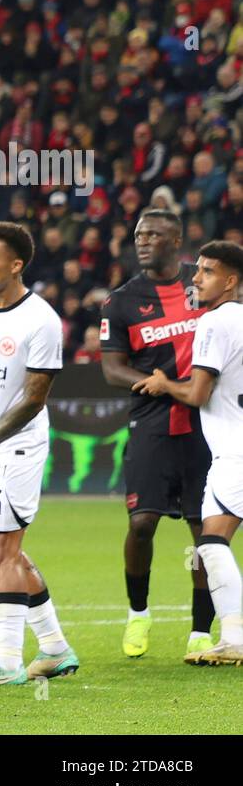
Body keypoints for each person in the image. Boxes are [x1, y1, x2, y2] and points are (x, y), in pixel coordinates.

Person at [0, 222, 79, 685]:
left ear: (16, 265)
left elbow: (33, 398)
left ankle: (7, 663)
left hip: (18, 444)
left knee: (6, 547)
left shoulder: (41, 321)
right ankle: (56, 648)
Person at [99, 209, 214, 661]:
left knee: (204, 531)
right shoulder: (122, 301)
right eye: (138, 235)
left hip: (206, 423)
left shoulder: (203, 284)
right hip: (150, 421)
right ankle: (138, 612)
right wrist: (152, 383)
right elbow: (111, 367)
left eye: (154, 234)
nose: (143, 241)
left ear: (177, 239)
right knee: (142, 523)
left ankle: (201, 631)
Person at [134, 240, 243, 665]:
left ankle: (234, 634)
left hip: (234, 453)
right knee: (214, 540)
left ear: (230, 281)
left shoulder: (213, 324)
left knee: (212, 543)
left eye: (207, 271)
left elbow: (198, 393)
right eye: (196, 269)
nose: (195, 278)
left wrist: (164, 384)